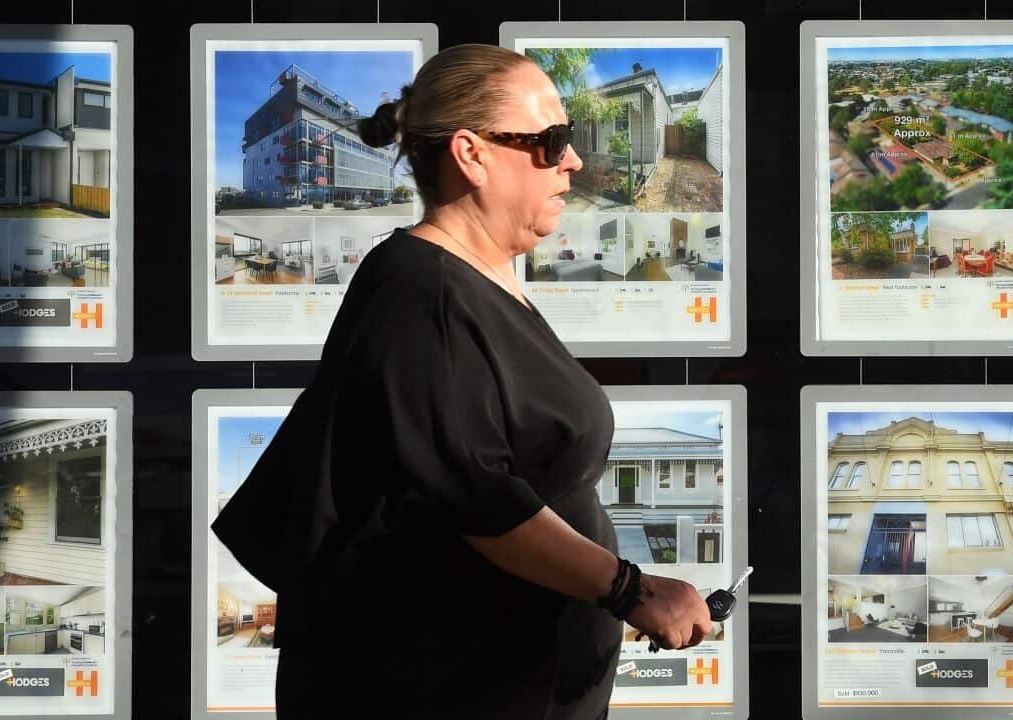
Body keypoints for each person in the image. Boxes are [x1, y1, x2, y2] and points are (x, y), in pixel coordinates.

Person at [211, 43, 712, 719]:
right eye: (552, 141)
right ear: (472, 155)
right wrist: (631, 590)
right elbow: (473, 495)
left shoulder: (469, 282)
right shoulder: (422, 292)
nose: (573, 161)